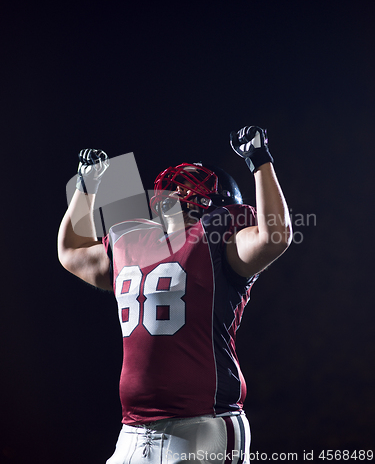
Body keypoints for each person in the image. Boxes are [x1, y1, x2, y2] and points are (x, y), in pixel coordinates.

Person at [57, 126, 292, 463]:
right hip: (133, 430)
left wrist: (260, 161)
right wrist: (85, 186)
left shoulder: (219, 239)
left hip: (202, 424)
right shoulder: (131, 242)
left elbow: (276, 236)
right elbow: (71, 251)